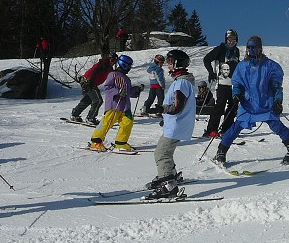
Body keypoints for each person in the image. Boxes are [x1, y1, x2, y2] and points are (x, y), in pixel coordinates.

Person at [213, 36, 289, 165]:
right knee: (236, 127)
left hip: (265, 103)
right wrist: (236, 94)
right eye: (249, 47)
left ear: (260, 48)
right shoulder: (242, 66)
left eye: (254, 47)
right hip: (248, 104)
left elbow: (276, 86)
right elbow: (237, 84)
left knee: (276, 125)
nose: (251, 50)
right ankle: (221, 151)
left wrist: (278, 101)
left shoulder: (270, 66)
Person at [144, 50, 196, 199]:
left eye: (171, 61)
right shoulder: (181, 81)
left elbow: (177, 107)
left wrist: (162, 109)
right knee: (166, 152)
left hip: (177, 125)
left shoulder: (182, 83)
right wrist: (165, 117)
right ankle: (170, 175)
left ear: (178, 63)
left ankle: (169, 186)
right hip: (175, 124)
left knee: (161, 153)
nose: (168, 64)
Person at [89, 54, 144, 151]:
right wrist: (118, 92)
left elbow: (129, 92)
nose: (129, 68)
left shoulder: (126, 78)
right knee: (107, 122)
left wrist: (136, 90)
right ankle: (96, 141)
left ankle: (121, 143)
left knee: (128, 122)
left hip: (125, 106)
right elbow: (108, 87)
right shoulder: (113, 74)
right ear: (123, 64)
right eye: (128, 66)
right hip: (114, 104)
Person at [202, 29, 240, 138]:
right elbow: (206, 59)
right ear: (226, 39)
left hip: (233, 84)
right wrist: (211, 72)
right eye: (229, 39)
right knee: (220, 106)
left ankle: (226, 129)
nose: (232, 42)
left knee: (233, 107)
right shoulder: (220, 49)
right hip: (222, 83)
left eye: (234, 39)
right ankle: (211, 130)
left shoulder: (236, 51)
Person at [71, 45, 118, 124]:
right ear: (109, 59)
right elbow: (94, 72)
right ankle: (90, 118)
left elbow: (112, 75)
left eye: (115, 61)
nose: (113, 62)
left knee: (88, 100)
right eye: (112, 60)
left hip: (88, 82)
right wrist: (90, 83)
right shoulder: (103, 64)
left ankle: (75, 114)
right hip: (89, 82)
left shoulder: (108, 66)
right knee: (98, 100)